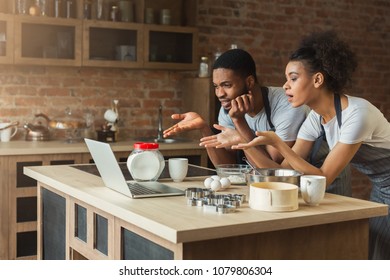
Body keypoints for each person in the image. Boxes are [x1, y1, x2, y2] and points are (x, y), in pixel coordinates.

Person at [231, 30, 390, 259]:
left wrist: (279, 143)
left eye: (293, 78)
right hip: (381, 186)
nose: (286, 86)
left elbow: (324, 176)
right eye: (287, 79)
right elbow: (283, 171)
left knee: (379, 256)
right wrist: (245, 144)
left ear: (317, 79)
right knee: (375, 250)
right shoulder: (316, 118)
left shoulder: (358, 114)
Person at [163, 48, 308, 167]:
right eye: (216, 86)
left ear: (250, 82)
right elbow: (227, 166)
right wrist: (204, 129)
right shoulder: (228, 108)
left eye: (227, 85)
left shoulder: (286, 105)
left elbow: (268, 167)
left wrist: (239, 122)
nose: (220, 94)